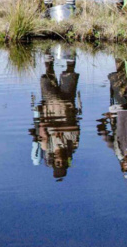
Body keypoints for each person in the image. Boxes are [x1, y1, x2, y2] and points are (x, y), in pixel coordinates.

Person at [30, 49, 81, 179]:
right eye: (62, 163)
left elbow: (43, 124)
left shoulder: (46, 146)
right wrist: (56, 128)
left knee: (48, 76)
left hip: (50, 104)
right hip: (67, 104)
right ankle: (70, 49)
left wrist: (58, 127)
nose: (60, 161)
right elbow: (75, 128)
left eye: (58, 164)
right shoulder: (72, 146)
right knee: (70, 73)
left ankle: (48, 54)